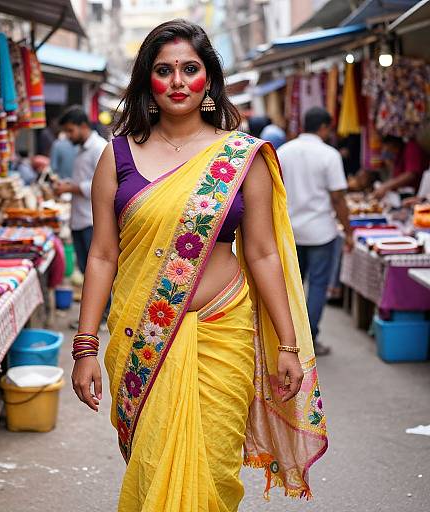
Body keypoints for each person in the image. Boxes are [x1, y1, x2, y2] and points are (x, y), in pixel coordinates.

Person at [71, 20, 328, 511]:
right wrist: (85, 347)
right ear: (148, 80)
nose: (178, 81)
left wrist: (288, 344)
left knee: (211, 466)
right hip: (143, 338)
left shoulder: (241, 155)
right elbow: (102, 254)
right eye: (164, 70)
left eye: (190, 68)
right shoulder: (117, 155)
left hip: (222, 334)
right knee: (154, 464)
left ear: (207, 78)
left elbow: (263, 253)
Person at [278, 107, 353, 357]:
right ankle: (311, 339)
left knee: (292, 286)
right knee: (318, 285)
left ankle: (289, 339)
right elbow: (338, 198)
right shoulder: (329, 155)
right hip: (321, 230)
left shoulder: (284, 152)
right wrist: (348, 230)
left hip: (290, 229)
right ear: (324, 127)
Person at [54, 106, 107, 275]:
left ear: (83, 126)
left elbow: (105, 184)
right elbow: (84, 179)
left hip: (92, 221)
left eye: (70, 130)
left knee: (97, 275)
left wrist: (71, 188)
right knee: (87, 272)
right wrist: (68, 184)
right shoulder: (81, 149)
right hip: (79, 219)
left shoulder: (100, 148)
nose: (68, 136)